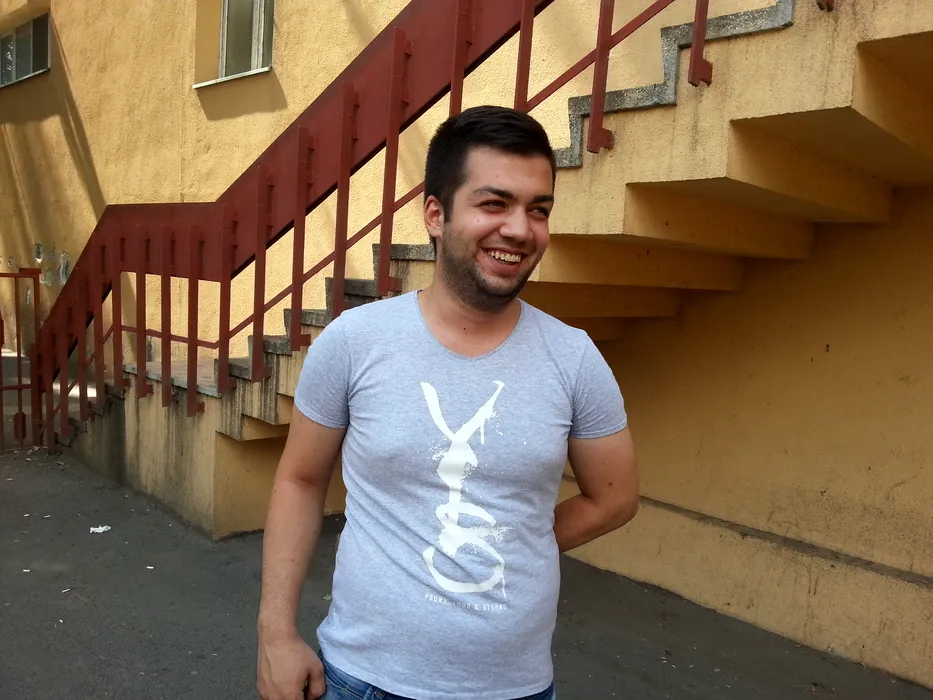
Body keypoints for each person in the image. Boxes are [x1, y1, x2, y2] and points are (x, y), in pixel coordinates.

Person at [256, 105, 639, 700]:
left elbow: (614, 498)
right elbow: (300, 481)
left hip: (514, 690)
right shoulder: (355, 342)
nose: (520, 229)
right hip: (360, 679)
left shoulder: (574, 358)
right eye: (495, 203)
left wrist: (516, 540)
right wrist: (276, 634)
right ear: (436, 214)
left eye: (538, 209)